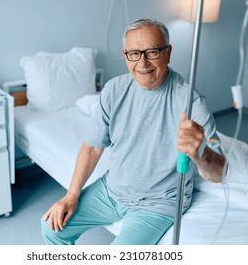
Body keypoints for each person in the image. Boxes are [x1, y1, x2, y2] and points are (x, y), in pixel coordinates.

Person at [41, 18, 226, 245]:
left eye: (152, 52)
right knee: (51, 228)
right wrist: (71, 195)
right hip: (111, 191)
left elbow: (219, 173)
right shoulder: (113, 90)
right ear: (125, 55)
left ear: (168, 52)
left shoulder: (190, 101)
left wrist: (201, 154)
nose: (143, 62)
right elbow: (91, 148)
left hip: (159, 203)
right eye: (134, 53)